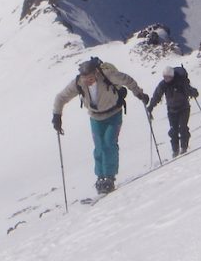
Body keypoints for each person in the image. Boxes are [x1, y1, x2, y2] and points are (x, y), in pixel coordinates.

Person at [52, 57, 148, 194]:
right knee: (99, 146)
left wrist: (138, 92)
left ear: (96, 72)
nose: (88, 80)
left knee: (109, 143)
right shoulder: (79, 83)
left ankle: (109, 177)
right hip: (95, 117)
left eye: (90, 77)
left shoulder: (107, 75)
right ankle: (100, 177)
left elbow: (127, 80)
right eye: (85, 78)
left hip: (114, 114)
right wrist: (57, 115)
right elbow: (61, 97)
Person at [147, 66, 199, 158]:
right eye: (164, 77)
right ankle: (175, 150)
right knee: (173, 130)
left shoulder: (180, 82)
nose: (166, 79)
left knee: (183, 127)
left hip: (184, 108)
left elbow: (188, 90)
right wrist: (151, 106)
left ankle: (184, 147)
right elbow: (157, 96)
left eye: (168, 77)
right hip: (171, 110)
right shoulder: (163, 85)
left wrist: (194, 92)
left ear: (172, 76)